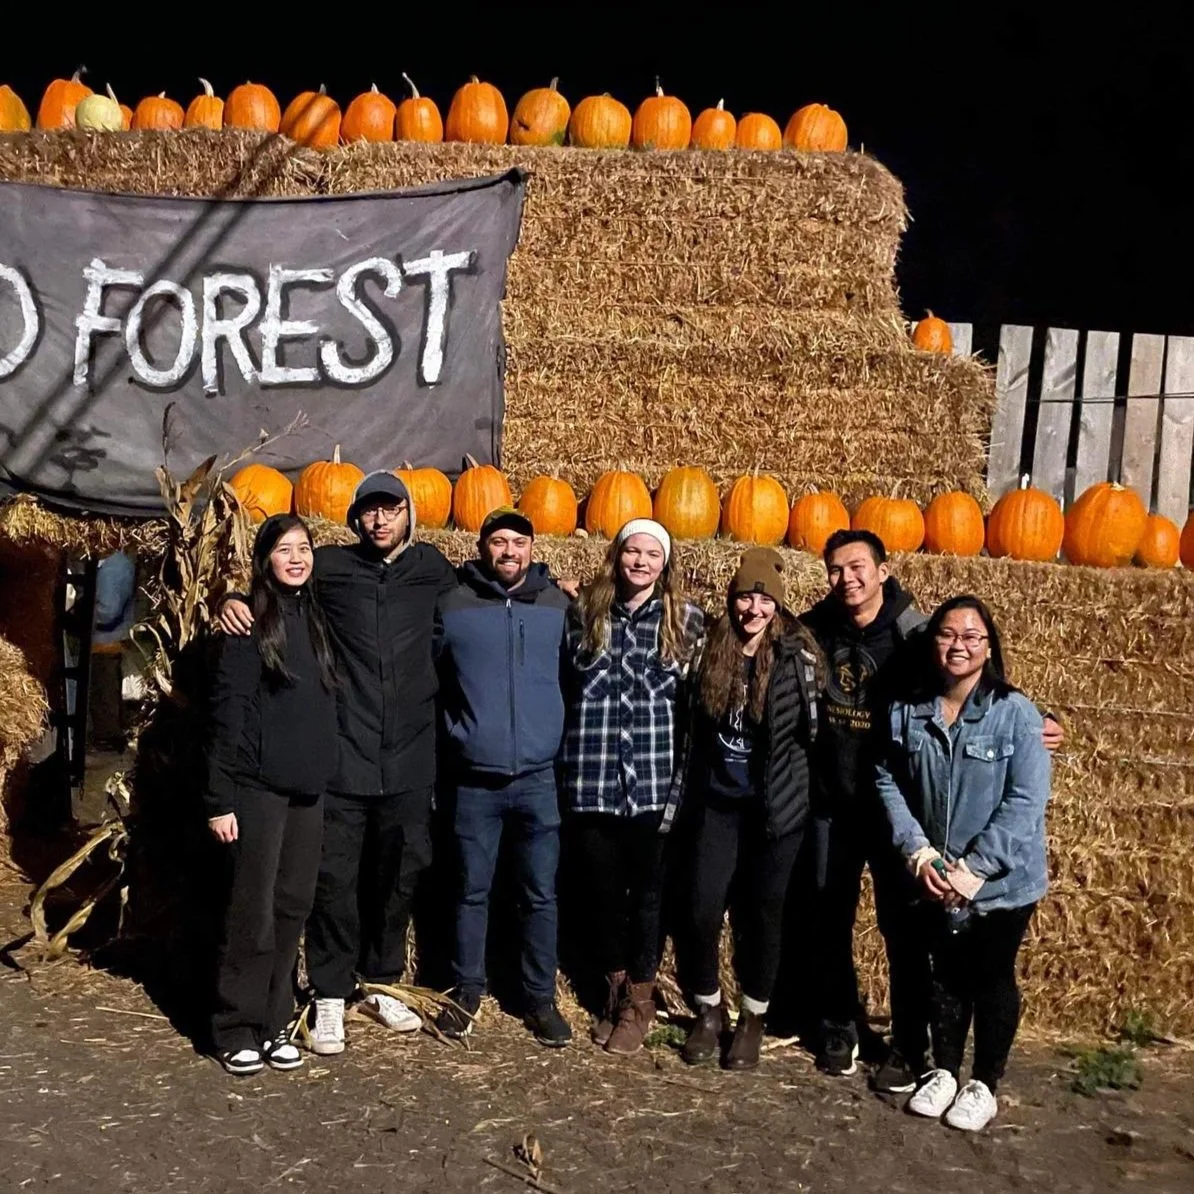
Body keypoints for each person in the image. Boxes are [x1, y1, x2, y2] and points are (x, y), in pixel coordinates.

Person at [797, 530, 1062, 1090]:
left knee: (905, 935)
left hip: (902, 812)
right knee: (827, 918)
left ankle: (909, 1045)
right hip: (835, 802)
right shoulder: (814, 627)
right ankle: (840, 1024)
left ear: (883, 570)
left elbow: (976, 680)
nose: (848, 578)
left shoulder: (918, 632)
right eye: (836, 569)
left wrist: (1045, 722)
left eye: (858, 566)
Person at [218, 470, 457, 1054]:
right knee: (333, 878)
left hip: (408, 755)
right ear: (354, 519)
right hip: (345, 754)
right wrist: (229, 598)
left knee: (398, 874)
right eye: (369, 511)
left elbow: (496, 580)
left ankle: (379, 981)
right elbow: (274, 581)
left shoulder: (434, 570)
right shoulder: (329, 568)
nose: (380, 520)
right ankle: (330, 992)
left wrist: (560, 581)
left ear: (409, 515)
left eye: (391, 509)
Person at [874, 595, 1050, 1132]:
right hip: (937, 873)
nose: (959, 645)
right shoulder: (910, 709)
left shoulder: (1013, 712)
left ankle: (984, 1082)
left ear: (989, 646)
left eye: (972, 636)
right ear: (933, 643)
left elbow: (1026, 800)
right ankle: (945, 1071)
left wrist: (975, 870)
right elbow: (887, 778)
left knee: (990, 977)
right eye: (948, 634)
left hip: (1001, 883)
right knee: (944, 977)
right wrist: (918, 852)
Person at [560, 518, 704, 1055]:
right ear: (616, 556)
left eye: (651, 554)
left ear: (664, 564)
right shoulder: (582, 614)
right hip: (593, 780)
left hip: (652, 785)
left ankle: (639, 1003)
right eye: (631, 552)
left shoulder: (687, 621)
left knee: (647, 897)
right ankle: (616, 994)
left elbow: (696, 707)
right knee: (600, 896)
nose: (640, 562)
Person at [432, 508, 574, 1047]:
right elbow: (432, 674)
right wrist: (458, 734)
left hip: (538, 778)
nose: (508, 551)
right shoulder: (454, 604)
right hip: (475, 780)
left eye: (518, 542)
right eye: (498, 542)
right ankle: (466, 989)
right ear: (482, 548)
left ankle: (538, 998)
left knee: (540, 893)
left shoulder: (559, 607)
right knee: (470, 890)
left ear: (532, 549)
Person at [679, 548, 823, 1071]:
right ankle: (708, 1009)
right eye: (745, 595)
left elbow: (817, 731)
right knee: (700, 907)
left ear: (778, 605)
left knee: (763, 914)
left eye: (764, 597)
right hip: (717, 803)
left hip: (775, 808)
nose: (753, 607)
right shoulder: (708, 646)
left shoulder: (799, 657)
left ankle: (753, 1017)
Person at [206, 515, 338, 1076]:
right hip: (257, 792)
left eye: (304, 548)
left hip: (308, 792)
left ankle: (274, 1021)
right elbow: (227, 713)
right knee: (252, 913)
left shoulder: (318, 617)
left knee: (291, 908)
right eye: (284, 549)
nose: (296, 558)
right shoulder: (249, 624)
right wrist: (219, 799)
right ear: (265, 559)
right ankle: (233, 1025)